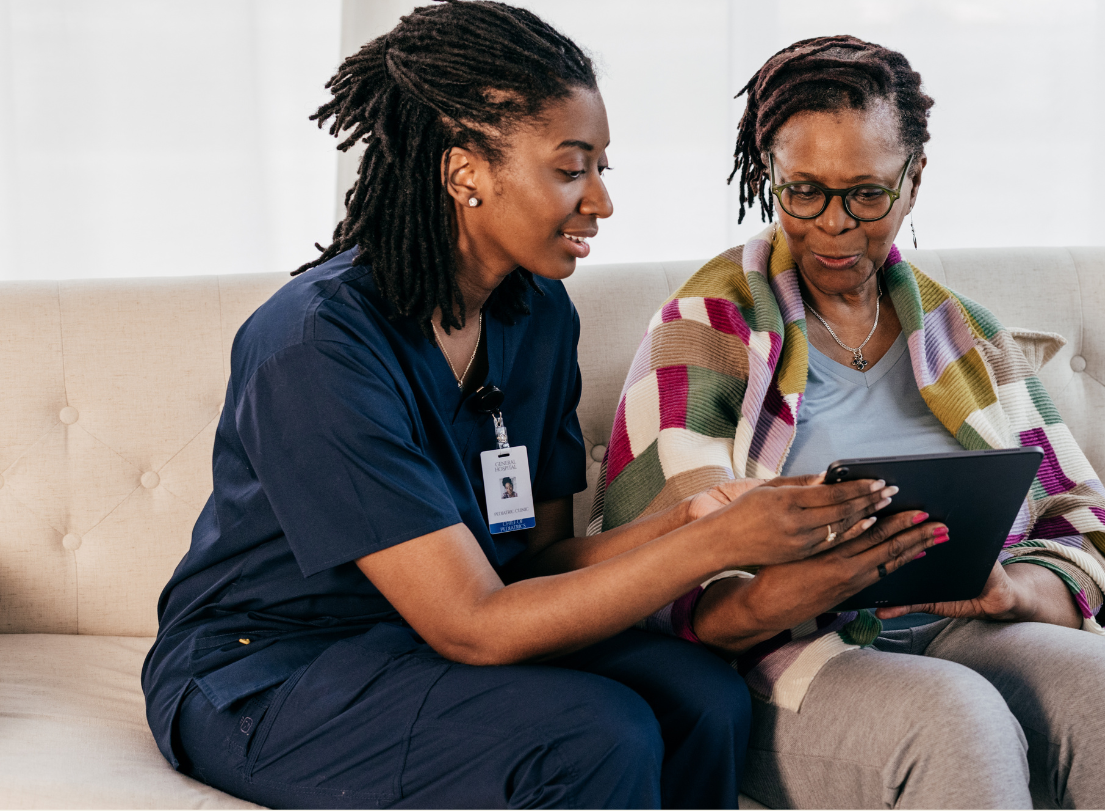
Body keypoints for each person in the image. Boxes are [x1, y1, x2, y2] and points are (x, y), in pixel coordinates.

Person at [140, 6, 936, 809]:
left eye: (602, 168)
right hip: (273, 669)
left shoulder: (538, 316)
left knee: (705, 697)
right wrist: (717, 545)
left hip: (426, 641)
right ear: (465, 173)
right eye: (570, 168)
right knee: (596, 731)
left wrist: (702, 517)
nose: (601, 201)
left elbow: (535, 563)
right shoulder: (316, 347)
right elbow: (473, 623)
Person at [595, 36, 1105, 809]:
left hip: (965, 628)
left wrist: (1008, 592)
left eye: (866, 193)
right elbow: (668, 587)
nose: (834, 225)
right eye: (804, 192)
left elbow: (1082, 539)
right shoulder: (707, 329)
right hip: (790, 652)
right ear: (769, 179)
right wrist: (810, 580)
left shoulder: (964, 334)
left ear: (913, 182)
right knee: (957, 718)